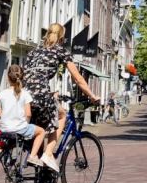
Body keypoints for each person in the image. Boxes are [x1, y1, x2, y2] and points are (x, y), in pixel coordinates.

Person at [21, 22, 99, 172]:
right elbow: (78, 78)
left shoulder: (34, 51)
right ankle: (48, 154)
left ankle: (39, 171)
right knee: (62, 115)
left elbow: (30, 77)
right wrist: (92, 95)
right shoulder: (60, 51)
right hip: (41, 95)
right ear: (62, 37)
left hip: (26, 96)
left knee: (41, 127)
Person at [0, 64, 46, 169]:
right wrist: (25, 124)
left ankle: (0, 151)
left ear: (8, 78)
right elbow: (28, 114)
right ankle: (32, 156)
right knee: (41, 132)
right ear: (22, 77)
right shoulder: (25, 94)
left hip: (5, 128)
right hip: (20, 128)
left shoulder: (2, 94)